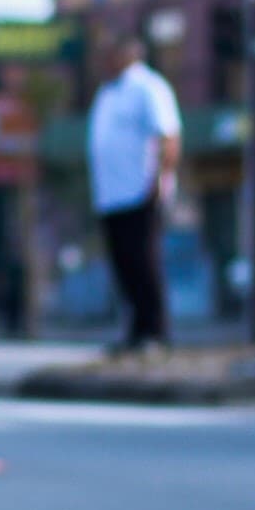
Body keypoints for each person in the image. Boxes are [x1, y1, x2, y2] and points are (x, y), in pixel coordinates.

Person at [88, 33, 182, 353]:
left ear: (128, 54)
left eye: (109, 53)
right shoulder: (107, 92)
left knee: (144, 262)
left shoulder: (147, 87)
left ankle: (156, 332)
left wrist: (160, 179)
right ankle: (135, 331)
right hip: (110, 195)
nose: (103, 61)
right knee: (123, 264)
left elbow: (168, 135)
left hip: (139, 192)